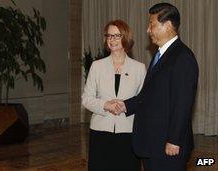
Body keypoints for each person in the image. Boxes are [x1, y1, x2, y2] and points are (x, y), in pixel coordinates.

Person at [115, 3, 199, 171]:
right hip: (154, 142)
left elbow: (182, 103)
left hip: (167, 146)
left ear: (167, 25)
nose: (148, 30)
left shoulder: (182, 57)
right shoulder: (160, 56)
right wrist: (124, 105)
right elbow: (150, 95)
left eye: (151, 24)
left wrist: (174, 140)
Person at [82, 19, 146, 171]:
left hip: (128, 133)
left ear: (125, 37)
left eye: (116, 36)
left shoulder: (139, 68)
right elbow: (86, 98)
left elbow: (143, 100)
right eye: (109, 36)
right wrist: (105, 105)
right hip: (100, 132)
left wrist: (125, 106)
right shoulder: (96, 66)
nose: (112, 40)